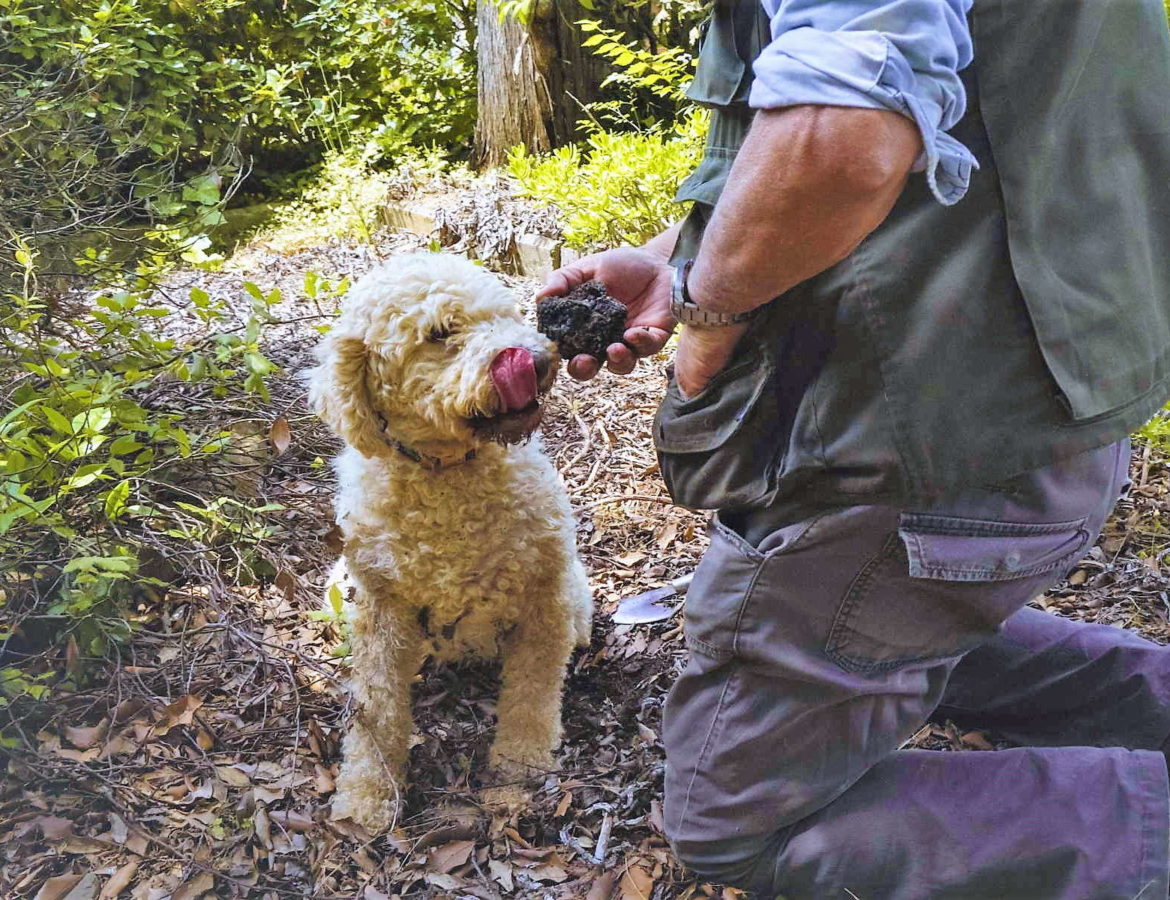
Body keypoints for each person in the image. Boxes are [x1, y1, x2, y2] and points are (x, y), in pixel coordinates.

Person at [538, 0, 1170, 896]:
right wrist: (679, 266)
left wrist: (714, 315)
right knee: (901, 623)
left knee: (740, 825)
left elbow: (846, 135)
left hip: (921, 451)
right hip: (1046, 411)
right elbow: (954, 118)